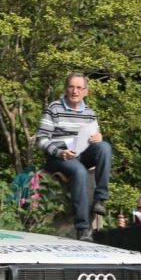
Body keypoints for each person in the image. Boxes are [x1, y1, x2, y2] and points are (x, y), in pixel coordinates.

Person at [36, 72, 111, 241]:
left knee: (105, 147)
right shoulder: (54, 108)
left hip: (81, 152)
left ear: (85, 91)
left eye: (79, 88)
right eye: (71, 87)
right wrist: (60, 152)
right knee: (79, 171)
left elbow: (93, 137)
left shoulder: (89, 112)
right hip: (59, 157)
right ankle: (82, 227)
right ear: (66, 89)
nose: (75, 91)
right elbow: (41, 139)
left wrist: (98, 138)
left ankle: (100, 199)